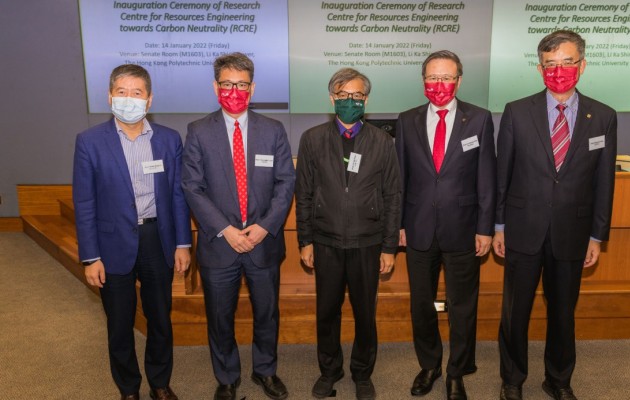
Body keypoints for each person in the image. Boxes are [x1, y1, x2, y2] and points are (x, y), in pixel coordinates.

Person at [494, 30, 617, 400]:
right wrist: (498, 226)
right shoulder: (517, 111)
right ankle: (512, 380)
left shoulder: (604, 117)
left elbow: (605, 181)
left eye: (566, 62)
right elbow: (503, 174)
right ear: (539, 67)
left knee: (563, 312)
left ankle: (558, 380)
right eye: (550, 64)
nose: (558, 70)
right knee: (516, 311)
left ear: (582, 65)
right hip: (522, 228)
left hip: (573, 232)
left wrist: (598, 236)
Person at [73, 64, 192, 400]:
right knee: (120, 324)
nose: (129, 99)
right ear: (110, 96)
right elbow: (84, 202)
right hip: (111, 245)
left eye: (136, 93)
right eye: (122, 92)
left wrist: (183, 243)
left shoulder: (168, 140)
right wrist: (90, 257)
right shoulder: (89, 142)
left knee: (160, 318)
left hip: (158, 239)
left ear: (149, 99)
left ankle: (159, 382)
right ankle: (128, 388)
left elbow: (178, 197)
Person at [182, 52, 295, 400]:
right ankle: (227, 377)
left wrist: (264, 227)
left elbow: (285, 183)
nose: (235, 90)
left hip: (263, 241)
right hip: (220, 245)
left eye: (242, 84)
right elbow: (192, 187)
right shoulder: (199, 131)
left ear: (253, 87)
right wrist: (226, 230)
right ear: (216, 87)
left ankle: (265, 371)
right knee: (219, 317)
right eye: (228, 84)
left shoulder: (273, 130)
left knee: (267, 314)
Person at [395, 50, 496, 400]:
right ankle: (430, 365)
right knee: (421, 304)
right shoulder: (406, 120)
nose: (439, 84)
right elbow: (401, 179)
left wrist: (485, 227)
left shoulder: (479, 119)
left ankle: (457, 370)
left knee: (463, 305)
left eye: (446, 77)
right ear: (424, 81)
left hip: (464, 229)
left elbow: (487, 178)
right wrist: (399, 225)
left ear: (459, 80)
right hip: (418, 228)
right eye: (432, 78)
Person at [295, 68, 401, 400]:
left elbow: (392, 196)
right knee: (327, 310)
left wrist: (389, 247)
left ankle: (362, 372)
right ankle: (329, 371)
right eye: (342, 96)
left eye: (356, 96)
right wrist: (305, 240)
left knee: (364, 312)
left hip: (367, 242)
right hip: (325, 242)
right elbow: (305, 194)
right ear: (332, 98)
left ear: (366, 100)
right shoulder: (312, 139)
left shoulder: (383, 142)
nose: (349, 101)